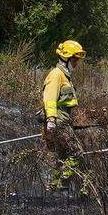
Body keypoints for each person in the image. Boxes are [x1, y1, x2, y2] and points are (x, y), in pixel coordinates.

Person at [42, 40, 85, 193]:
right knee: (76, 153)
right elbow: (49, 98)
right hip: (58, 119)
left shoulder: (65, 76)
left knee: (59, 156)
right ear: (66, 58)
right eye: (74, 59)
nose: (76, 63)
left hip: (64, 118)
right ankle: (61, 184)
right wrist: (51, 120)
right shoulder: (56, 75)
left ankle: (52, 190)